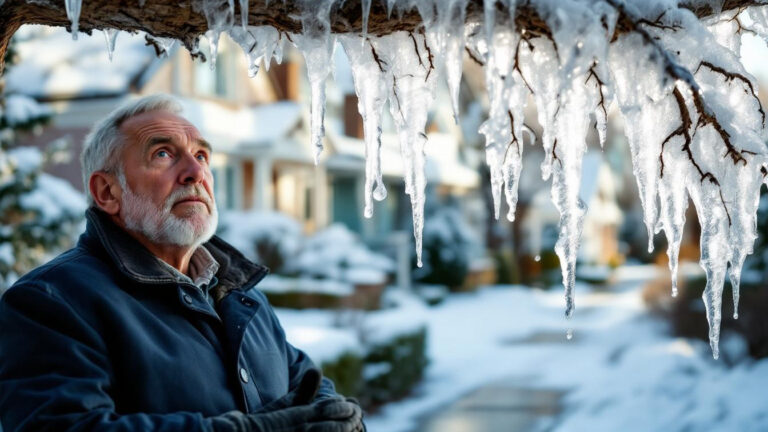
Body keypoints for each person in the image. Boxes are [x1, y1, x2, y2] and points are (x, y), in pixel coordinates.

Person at [0, 94, 364, 432]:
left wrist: (342, 419)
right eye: (163, 153)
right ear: (107, 192)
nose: (195, 172)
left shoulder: (239, 295)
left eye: (202, 156)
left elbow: (309, 385)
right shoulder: (52, 302)